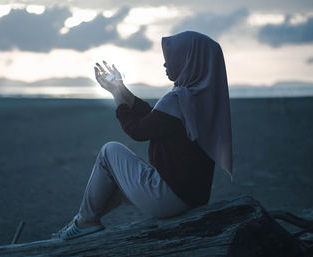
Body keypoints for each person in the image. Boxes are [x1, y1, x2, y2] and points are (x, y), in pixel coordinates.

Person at [52, 31, 233, 240]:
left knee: (109, 151)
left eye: (171, 58)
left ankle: (84, 221)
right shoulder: (203, 100)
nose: (165, 65)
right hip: (193, 198)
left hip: (168, 198)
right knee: (113, 180)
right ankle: (81, 222)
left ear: (188, 60)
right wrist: (119, 88)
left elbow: (137, 131)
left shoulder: (179, 98)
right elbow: (154, 118)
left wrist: (117, 96)